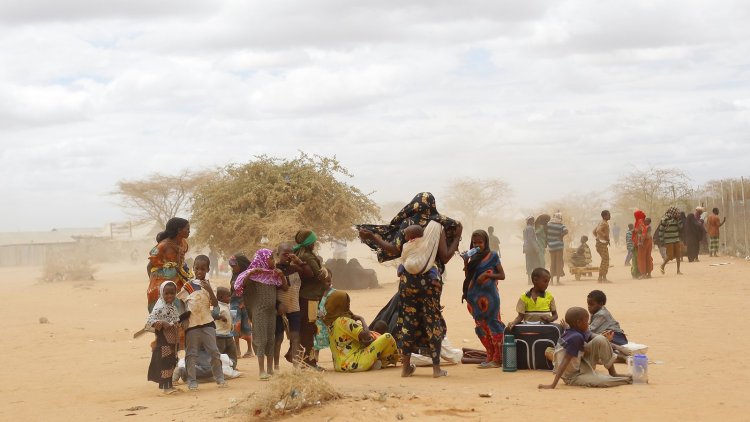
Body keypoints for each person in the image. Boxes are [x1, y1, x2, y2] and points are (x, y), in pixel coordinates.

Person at [358, 192, 463, 378]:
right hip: (431, 282)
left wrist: (374, 237)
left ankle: (406, 367)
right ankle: (437, 369)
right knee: (433, 320)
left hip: (408, 282)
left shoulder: (406, 224)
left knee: (407, 321)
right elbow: (445, 257)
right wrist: (457, 237)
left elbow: (393, 249)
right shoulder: (438, 225)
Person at [538, 307, 631, 389]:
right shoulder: (575, 337)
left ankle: (613, 373)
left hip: (581, 364)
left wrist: (607, 342)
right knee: (602, 380)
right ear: (578, 323)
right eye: (586, 322)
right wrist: (552, 385)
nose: (588, 324)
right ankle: (628, 380)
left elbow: (590, 341)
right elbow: (565, 361)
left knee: (601, 339)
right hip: (572, 376)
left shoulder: (573, 331)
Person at [177, 255, 227, 390]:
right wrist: (183, 319)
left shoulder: (211, 285)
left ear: (208, 269)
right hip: (192, 325)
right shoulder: (188, 286)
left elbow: (215, 304)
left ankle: (219, 378)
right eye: (196, 268)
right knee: (191, 354)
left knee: (214, 352)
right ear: (193, 269)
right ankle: (192, 381)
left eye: (202, 269)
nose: (199, 271)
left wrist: (209, 289)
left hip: (207, 323)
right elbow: (181, 302)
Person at [235, 248, 284, 380]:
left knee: (270, 340)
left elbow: (283, 286)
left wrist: (281, 276)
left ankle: (270, 369)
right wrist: (250, 274)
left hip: (271, 312)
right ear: (263, 259)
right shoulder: (253, 276)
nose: (273, 261)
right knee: (261, 340)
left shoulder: (273, 275)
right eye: (271, 258)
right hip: (260, 312)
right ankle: (261, 370)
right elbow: (239, 286)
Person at [322, 290, 398, 372]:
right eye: (347, 302)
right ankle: (384, 361)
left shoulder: (330, 323)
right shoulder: (344, 321)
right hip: (354, 363)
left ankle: (375, 363)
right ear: (341, 304)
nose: (348, 304)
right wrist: (361, 319)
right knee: (387, 336)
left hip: (339, 366)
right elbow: (367, 336)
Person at [462, 230, 506, 369]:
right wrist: (465, 261)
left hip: (490, 298)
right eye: (475, 242)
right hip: (474, 298)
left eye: (480, 242)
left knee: (493, 324)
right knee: (481, 326)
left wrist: (487, 276)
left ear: (486, 242)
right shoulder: (473, 256)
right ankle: (490, 355)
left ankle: (498, 358)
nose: (477, 245)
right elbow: (468, 276)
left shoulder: (492, 255)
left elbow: (502, 275)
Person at [293, 229, 327, 370]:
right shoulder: (308, 257)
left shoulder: (299, 254)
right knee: (309, 329)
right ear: (309, 242)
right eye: (313, 241)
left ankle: (303, 360)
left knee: (304, 330)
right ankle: (310, 362)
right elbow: (318, 275)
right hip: (310, 299)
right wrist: (323, 271)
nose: (315, 243)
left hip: (303, 297)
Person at [146, 217, 193, 312]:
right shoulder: (163, 246)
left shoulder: (184, 243)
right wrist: (153, 284)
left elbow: (181, 262)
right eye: (187, 229)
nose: (189, 231)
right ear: (179, 230)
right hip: (162, 278)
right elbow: (149, 266)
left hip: (179, 275)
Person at [146, 281, 180, 395]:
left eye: (172, 293)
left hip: (173, 340)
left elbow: (176, 319)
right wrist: (161, 322)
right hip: (164, 340)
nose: (169, 296)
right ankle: (166, 387)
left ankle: (170, 385)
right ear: (162, 293)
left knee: (172, 362)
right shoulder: (159, 307)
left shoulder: (172, 306)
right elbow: (150, 321)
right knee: (165, 362)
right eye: (167, 293)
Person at [276, 242, 305, 366]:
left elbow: (310, 274)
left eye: (290, 254)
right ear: (278, 255)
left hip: (295, 307)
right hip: (279, 310)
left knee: (295, 337)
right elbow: (269, 292)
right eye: (284, 254)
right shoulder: (274, 271)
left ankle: (295, 366)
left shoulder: (296, 269)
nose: (287, 257)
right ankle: (276, 366)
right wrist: (277, 305)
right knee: (277, 339)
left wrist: (298, 261)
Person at [228, 254, 254, 359]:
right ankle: (237, 350)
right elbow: (232, 288)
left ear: (241, 265)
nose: (233, 268)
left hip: (245, 303)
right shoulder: (234, 274)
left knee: (247, 326)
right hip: (234, 302)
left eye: (234, 266)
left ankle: (249, 350)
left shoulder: (248, 275)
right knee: (235, 325)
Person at [213, 287, 237, 369]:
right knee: (220, 353)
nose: (230, 298)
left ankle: (232, 366)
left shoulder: (227, 305)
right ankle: (219, 368)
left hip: (228, 335)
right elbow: (213, 315)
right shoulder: (217, 307)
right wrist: (220, 317)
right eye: (228, 296)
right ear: (220, 297)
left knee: (232, 352)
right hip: (219, 336)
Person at [658, 207, 684, 275]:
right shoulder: (665, 219)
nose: (678, 214)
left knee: (678, 254)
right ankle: (662, 265)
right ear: (672, 213)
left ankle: (678, 270)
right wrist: (661, 240)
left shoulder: (678, 219)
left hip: (676, 238)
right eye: (676, 213)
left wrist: (678, 221)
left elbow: (681, 227)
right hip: (668, 239)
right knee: (670, 256)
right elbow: (660, 230)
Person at [546, 213, 568, 285]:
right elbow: (566, 231)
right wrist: (560, 236)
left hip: (551, 247)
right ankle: (558, 281)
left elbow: (545, 231)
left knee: (552, 263)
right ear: (560, 218)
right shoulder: (561, 225)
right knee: (559, 263)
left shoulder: (548, 224)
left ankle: (551, 281)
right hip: (559, 246)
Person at [593, 210, 611, 283]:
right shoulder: (604, 223)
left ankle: (602, 277)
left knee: (605, 260)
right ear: (604, 216)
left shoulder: (601, 222)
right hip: (602, 244)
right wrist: (604, 237)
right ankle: (602, 278)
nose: (610, 216)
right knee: (605, 260)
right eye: (608, 215)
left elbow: (594, 231)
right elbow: (598, 231)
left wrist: (598, 238)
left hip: (600, 243)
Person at [523, 217, 542, 284]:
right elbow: (531, 239)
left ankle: (529, 280)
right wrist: (537, 248)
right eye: (533, 221)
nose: (533, 222)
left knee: (528, 264)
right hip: (531, 249)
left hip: (526, 248)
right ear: (530, 221)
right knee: (535, 264)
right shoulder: (530, 228)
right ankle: (532, 280)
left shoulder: (525, 228)